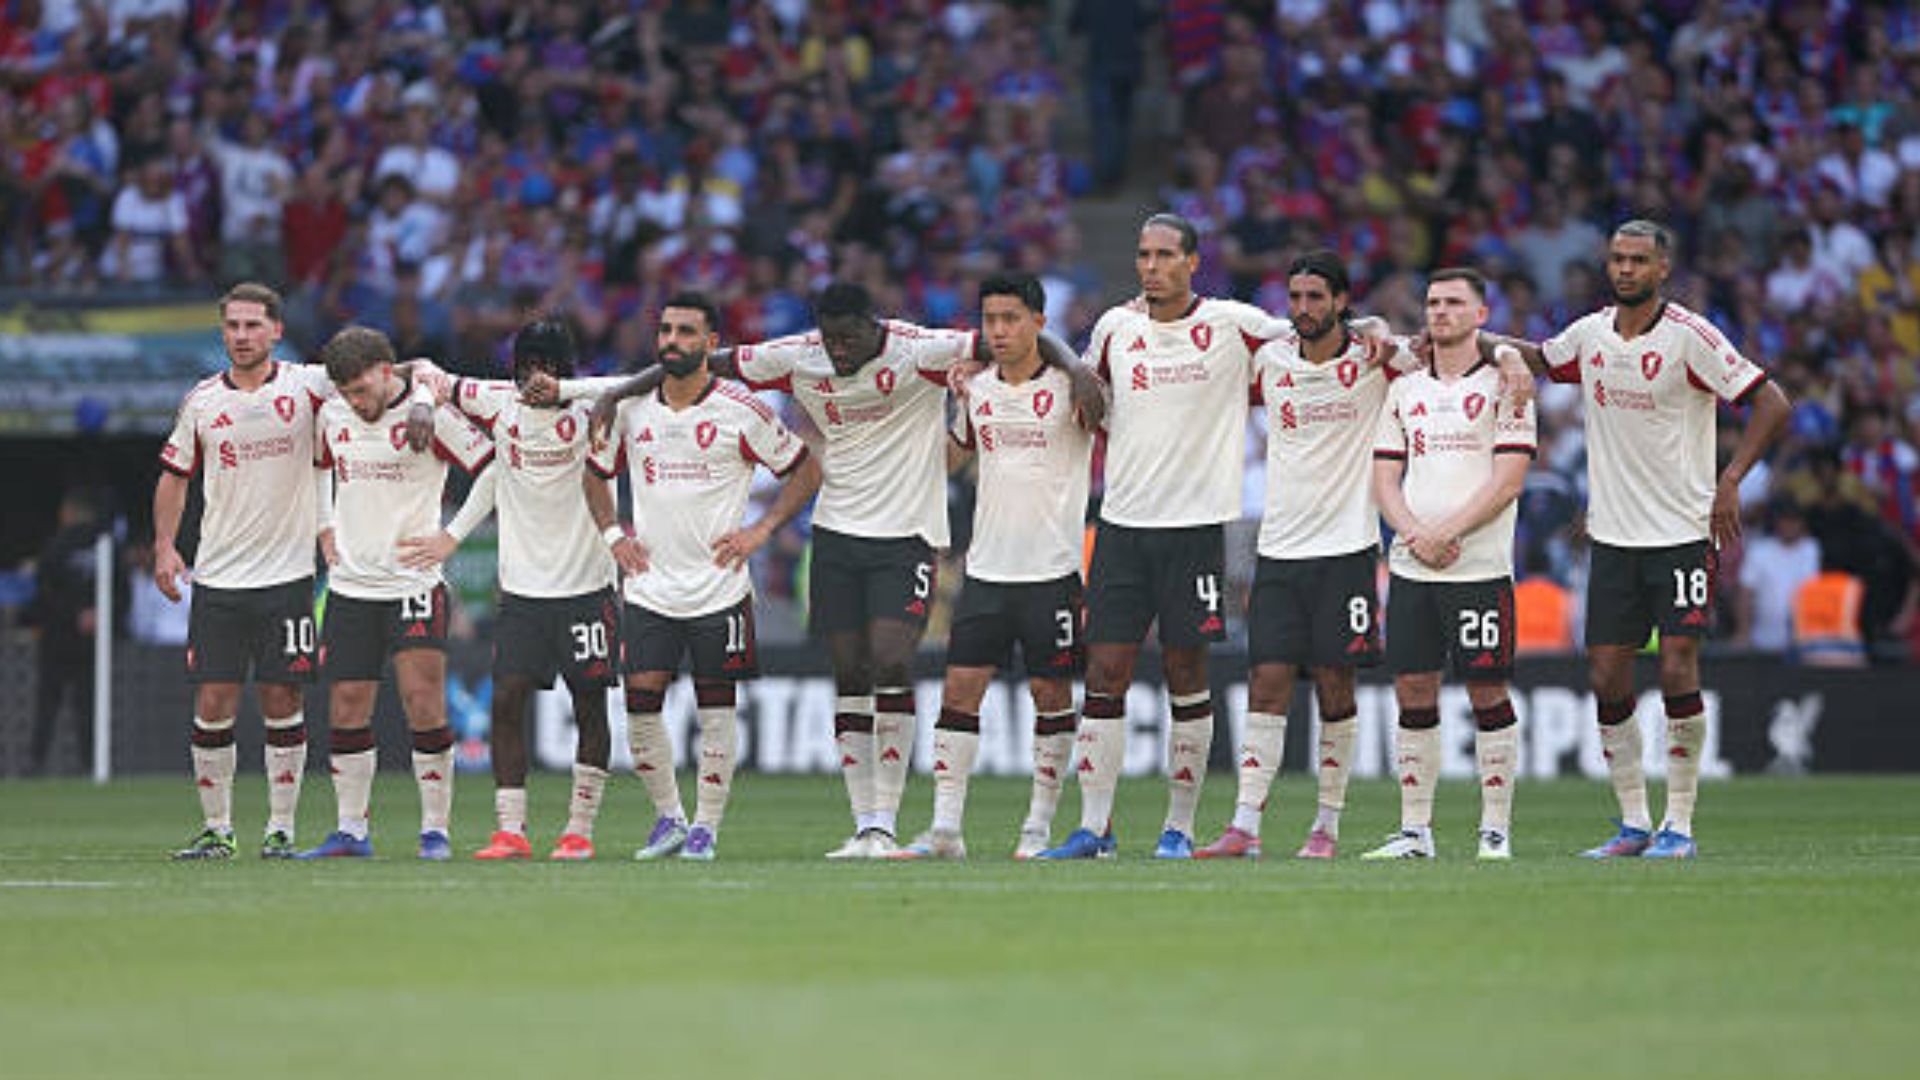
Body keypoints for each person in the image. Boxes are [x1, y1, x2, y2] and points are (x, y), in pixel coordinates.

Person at [581, 281, 1097, 859]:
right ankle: (865, 823)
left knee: (892, 661)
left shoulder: (918, 350)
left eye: (848, 338)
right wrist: (616, 391)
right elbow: (698, 361)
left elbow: (1015, 339)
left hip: (906, 536)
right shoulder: (800, 355)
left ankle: (889, 822)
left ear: (873, 328)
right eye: (830, 340)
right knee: (849, 673)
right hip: (835, 534)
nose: (838, 350)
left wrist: (1076, 368)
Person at [1488, 221, 1792, 859]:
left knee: (1678, 664)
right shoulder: (1592, 333)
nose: (1625, 269)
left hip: (1682, 533)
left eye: (1638, 260)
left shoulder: (1691, 336)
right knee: (1606, 674)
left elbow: (1772, 402)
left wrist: (1731, 479)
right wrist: (1472, 339)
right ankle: (1633, 823)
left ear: (1662, 269)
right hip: (1613, 538)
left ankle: (1679, 824)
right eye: (1618, 259)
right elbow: (1543, 356)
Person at [1039, 213, 1294, 861]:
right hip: (1122, 525)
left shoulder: (1234, 324)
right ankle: (1094, 828)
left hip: (1196, 527)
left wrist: (1376, 331)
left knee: (1186, 670)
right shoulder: (1114, 327)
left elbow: (1317, 337)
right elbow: (1085, 387)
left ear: (1192, 262)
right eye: (1143, 255)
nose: (1151, 266)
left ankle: (1179, 826)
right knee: (1105, 670)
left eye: (1164, 255)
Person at [157, 284, 432, 860]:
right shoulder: (202, 401)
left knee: (282, 698)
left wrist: (425, 396)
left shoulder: (309, 385)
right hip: (217, 576)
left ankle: (280, 828)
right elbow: (175, 475)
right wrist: (164, 546)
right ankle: (218, 828)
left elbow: (400, 371)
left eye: (253, 325)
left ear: (276, 331)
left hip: (286, 577)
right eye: (232, 325)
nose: (241, 336)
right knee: (214, 701)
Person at [585, 292, 821, 861]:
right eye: (666, 330)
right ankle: (668, 818)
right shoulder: (632, 409)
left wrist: (761, 531)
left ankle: (706, 828)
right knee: (640, 701)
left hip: (719, 585)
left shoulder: (743, 410)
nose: (672, 341)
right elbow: (594, 473)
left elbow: (806, 470)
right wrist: (614, 536)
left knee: (716, 707)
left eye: (686, 332)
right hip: (650, 584)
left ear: (712, 343)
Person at [397, 318, 622, 860]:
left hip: (587, 585)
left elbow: (646, 381)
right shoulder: (500, 403)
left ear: (565, 369)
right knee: (506, 701)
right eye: (526, 367)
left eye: (546, 367)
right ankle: (510, 830)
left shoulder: (596, 409)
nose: (535, 378)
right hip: (523, 591)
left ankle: (579, 831)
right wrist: (423, 404)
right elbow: (426, 372)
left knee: (590, 706)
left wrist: (567, 389)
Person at [892, 273, 1095, 861]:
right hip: (987, 569)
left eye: (1011, 319)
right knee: (959, 691)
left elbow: (1102, 409)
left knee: (1050, 694)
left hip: (1053, 570)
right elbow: (953, 456)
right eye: (990, 320)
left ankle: (1036, 830)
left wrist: (1073, 364)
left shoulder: (1073, 386)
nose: (999, 331)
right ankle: (945, 830)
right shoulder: (976, 390)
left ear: (1038, 323)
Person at [1193, 250, 1386, 861]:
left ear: (1341, 302)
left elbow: (1446, 348)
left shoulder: (1376, 359)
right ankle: (1244, 826)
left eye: (1315, 297)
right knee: (1267, 682)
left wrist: (1506, 358)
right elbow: (1210, 336)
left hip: (1348, 549)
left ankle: (1326, 825)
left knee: (1335, 686)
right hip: (1279, 550)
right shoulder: (1270, 360)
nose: (1303, 308)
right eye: (1295, 297)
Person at [297, 327, 494, 861]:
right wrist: (324, 526)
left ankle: (435, 831)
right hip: (350, 586)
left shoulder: (430, 416)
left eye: (362, 390)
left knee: (423, 701)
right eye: (347, 393)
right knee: (346, 705)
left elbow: (493, 468)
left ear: (387, 372)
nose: (356, 402)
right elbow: (318, 467)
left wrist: (451, 537)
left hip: (412, 584)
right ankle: (350, 830)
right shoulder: (332, 414)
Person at [1363, 268, 1535, 861]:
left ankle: (1495, 830)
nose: (1440, 311)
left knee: (1487, 691)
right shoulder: (1405, 389)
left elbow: (1509, 481)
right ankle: (1416, 831)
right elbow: (1385, 478)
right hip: (1413, 568)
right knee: (1413, 689)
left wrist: (1447, 533)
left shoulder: (1507, 383)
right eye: (1434, 302)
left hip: (1479, 568)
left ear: (1482, 315)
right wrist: (1415, 535)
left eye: (1455, 303)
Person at [27, 490, 111, 777]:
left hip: (59, 638)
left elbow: (43, 592)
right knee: (86, 703)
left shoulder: (56, 546)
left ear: (68, 512)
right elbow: (122, 591)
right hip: (89, 641)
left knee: (49, 702)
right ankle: (89, 764)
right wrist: (98, 614)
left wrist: (74, 614)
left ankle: (37, 762)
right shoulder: (105, 544)